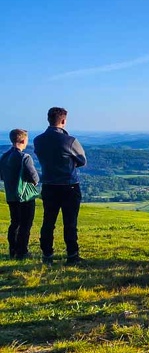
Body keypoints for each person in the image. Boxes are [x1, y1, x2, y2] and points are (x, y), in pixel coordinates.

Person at [33, 107, 87, 265]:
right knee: (70, 222)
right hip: (69, 185)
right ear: (63, 121)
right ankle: (72, 255)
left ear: (48, 119)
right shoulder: (69, 140)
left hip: (49, 185)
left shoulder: (38, 140)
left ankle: (47, 255)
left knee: (48, 221)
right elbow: (82, 161)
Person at [0, 129, 40, 260]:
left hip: (11, 195)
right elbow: (35, 178)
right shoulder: (25, 158)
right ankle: (22, 251)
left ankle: (13, 251)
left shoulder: (4, 157)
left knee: (15, 223)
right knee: (25, 224)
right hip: (25, 197)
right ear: (23, 140)